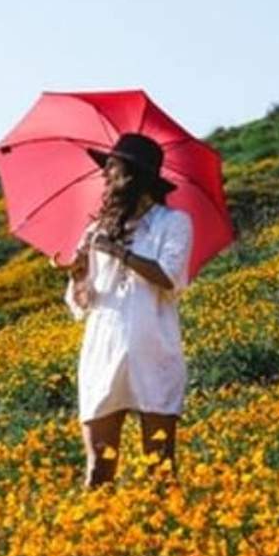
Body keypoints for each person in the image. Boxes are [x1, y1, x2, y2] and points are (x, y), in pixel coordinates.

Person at [63, 132, 194, 488]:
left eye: (112, 169)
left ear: (134, 176)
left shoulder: (173, 223)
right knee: (98, 470)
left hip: (153, 352)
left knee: (161, 467)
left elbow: (168, 277)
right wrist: (78, 275)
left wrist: (118, 251)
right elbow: (83, 303)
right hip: (103, 351)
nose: (105, 176)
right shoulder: (95, 230)